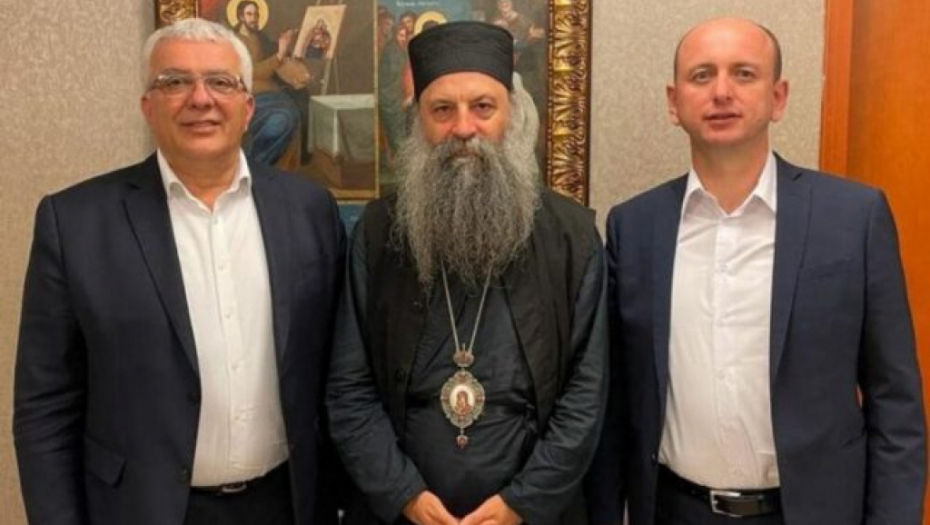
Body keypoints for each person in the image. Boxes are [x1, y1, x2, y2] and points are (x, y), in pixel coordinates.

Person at [585, 17, 926, 525]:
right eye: (702, 75)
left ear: (778, 97)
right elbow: (614, 405)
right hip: (676, 510)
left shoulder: (853, 219)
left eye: (744, 74)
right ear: (674, 103)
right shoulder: (634, 228)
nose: (721, 91)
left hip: (812, 512)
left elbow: (895, 403)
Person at [13, 18, 345, 525]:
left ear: (248, 106)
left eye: (220, 81)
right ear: (148, 106)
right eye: (175, 82)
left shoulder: (310, 210)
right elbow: (45, 407)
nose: (200, 98)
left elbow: (337, 372)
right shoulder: (76, 223)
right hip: (140, 510)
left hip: (288, 503)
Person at [327, 21, 608, 525]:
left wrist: (522, 503)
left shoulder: (572, 236)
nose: (463, 128)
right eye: (442, 109)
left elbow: (586, 396)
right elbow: (350, 388)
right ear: (418, 122)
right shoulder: (378, 232)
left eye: (482, 107)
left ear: (511, 115)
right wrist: (404, 495)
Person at [233, 0, 301, 166]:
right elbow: (251, 72)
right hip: (250, 94)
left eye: (256, 14)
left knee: (297, 109)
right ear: (240, 17)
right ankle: (255, 164)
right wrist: (279, 55)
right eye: (249, 14)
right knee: (282, 120)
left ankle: (259, 166)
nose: (254, 18)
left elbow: (276, 60)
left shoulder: (260, 37)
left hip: (271, 91)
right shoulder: (235, 42)